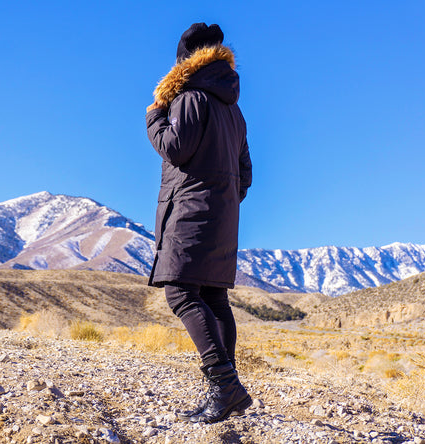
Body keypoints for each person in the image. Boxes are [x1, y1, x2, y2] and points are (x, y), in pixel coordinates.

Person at [145, 22, 253, 424]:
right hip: (222, 214)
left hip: (191, 210)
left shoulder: (190, 98)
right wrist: (223, 202)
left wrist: (154, 116)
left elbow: (175, 147)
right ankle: (227, 390)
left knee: (180, 292)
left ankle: (224, 385)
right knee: (213, 298)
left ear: (183, 64)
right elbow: (246, 175)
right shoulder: (234, 110)